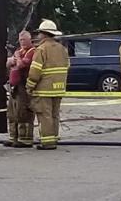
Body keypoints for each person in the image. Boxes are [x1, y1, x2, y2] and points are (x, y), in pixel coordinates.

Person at [26, 19, 70, 150]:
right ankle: (54, 138)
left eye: (39, 33)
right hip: (59, 88)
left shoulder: (41, 49)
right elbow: (68, 66)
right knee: (54, 114)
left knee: (45, 115)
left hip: (44, 89)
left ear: (44, 34)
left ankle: (47, 142)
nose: (38, 36)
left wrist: (29, 86)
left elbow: (35, 71)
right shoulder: (62, 49)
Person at [4, 30, 36, 147]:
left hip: (25, 85)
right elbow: (8, 63)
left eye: (24, 39)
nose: (22, 42)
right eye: (21, 39)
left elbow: (22, 64)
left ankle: (25, 138)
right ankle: (13, 136)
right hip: (14, 86)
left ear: (30, 40)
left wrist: (16, 58)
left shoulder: (32, 52)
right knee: (12, 112)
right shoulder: (19, 51)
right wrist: (13, 60)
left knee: (24, 112)